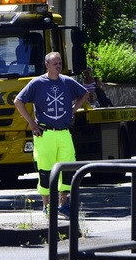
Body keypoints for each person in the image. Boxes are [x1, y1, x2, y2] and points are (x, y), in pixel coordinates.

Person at [15, 52, 91, 219]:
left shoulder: (67, 81)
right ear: (47, 65)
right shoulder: (37, 83)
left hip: (64, 132)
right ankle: (47, 206)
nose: (58, 66)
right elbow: (18, 101)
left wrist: (73, 110)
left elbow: (84, 93)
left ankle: (63, 204)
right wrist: (31, 122)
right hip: (45, 133)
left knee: (68, 168)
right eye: (55, 63)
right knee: (45, 170)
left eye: (60, 63)